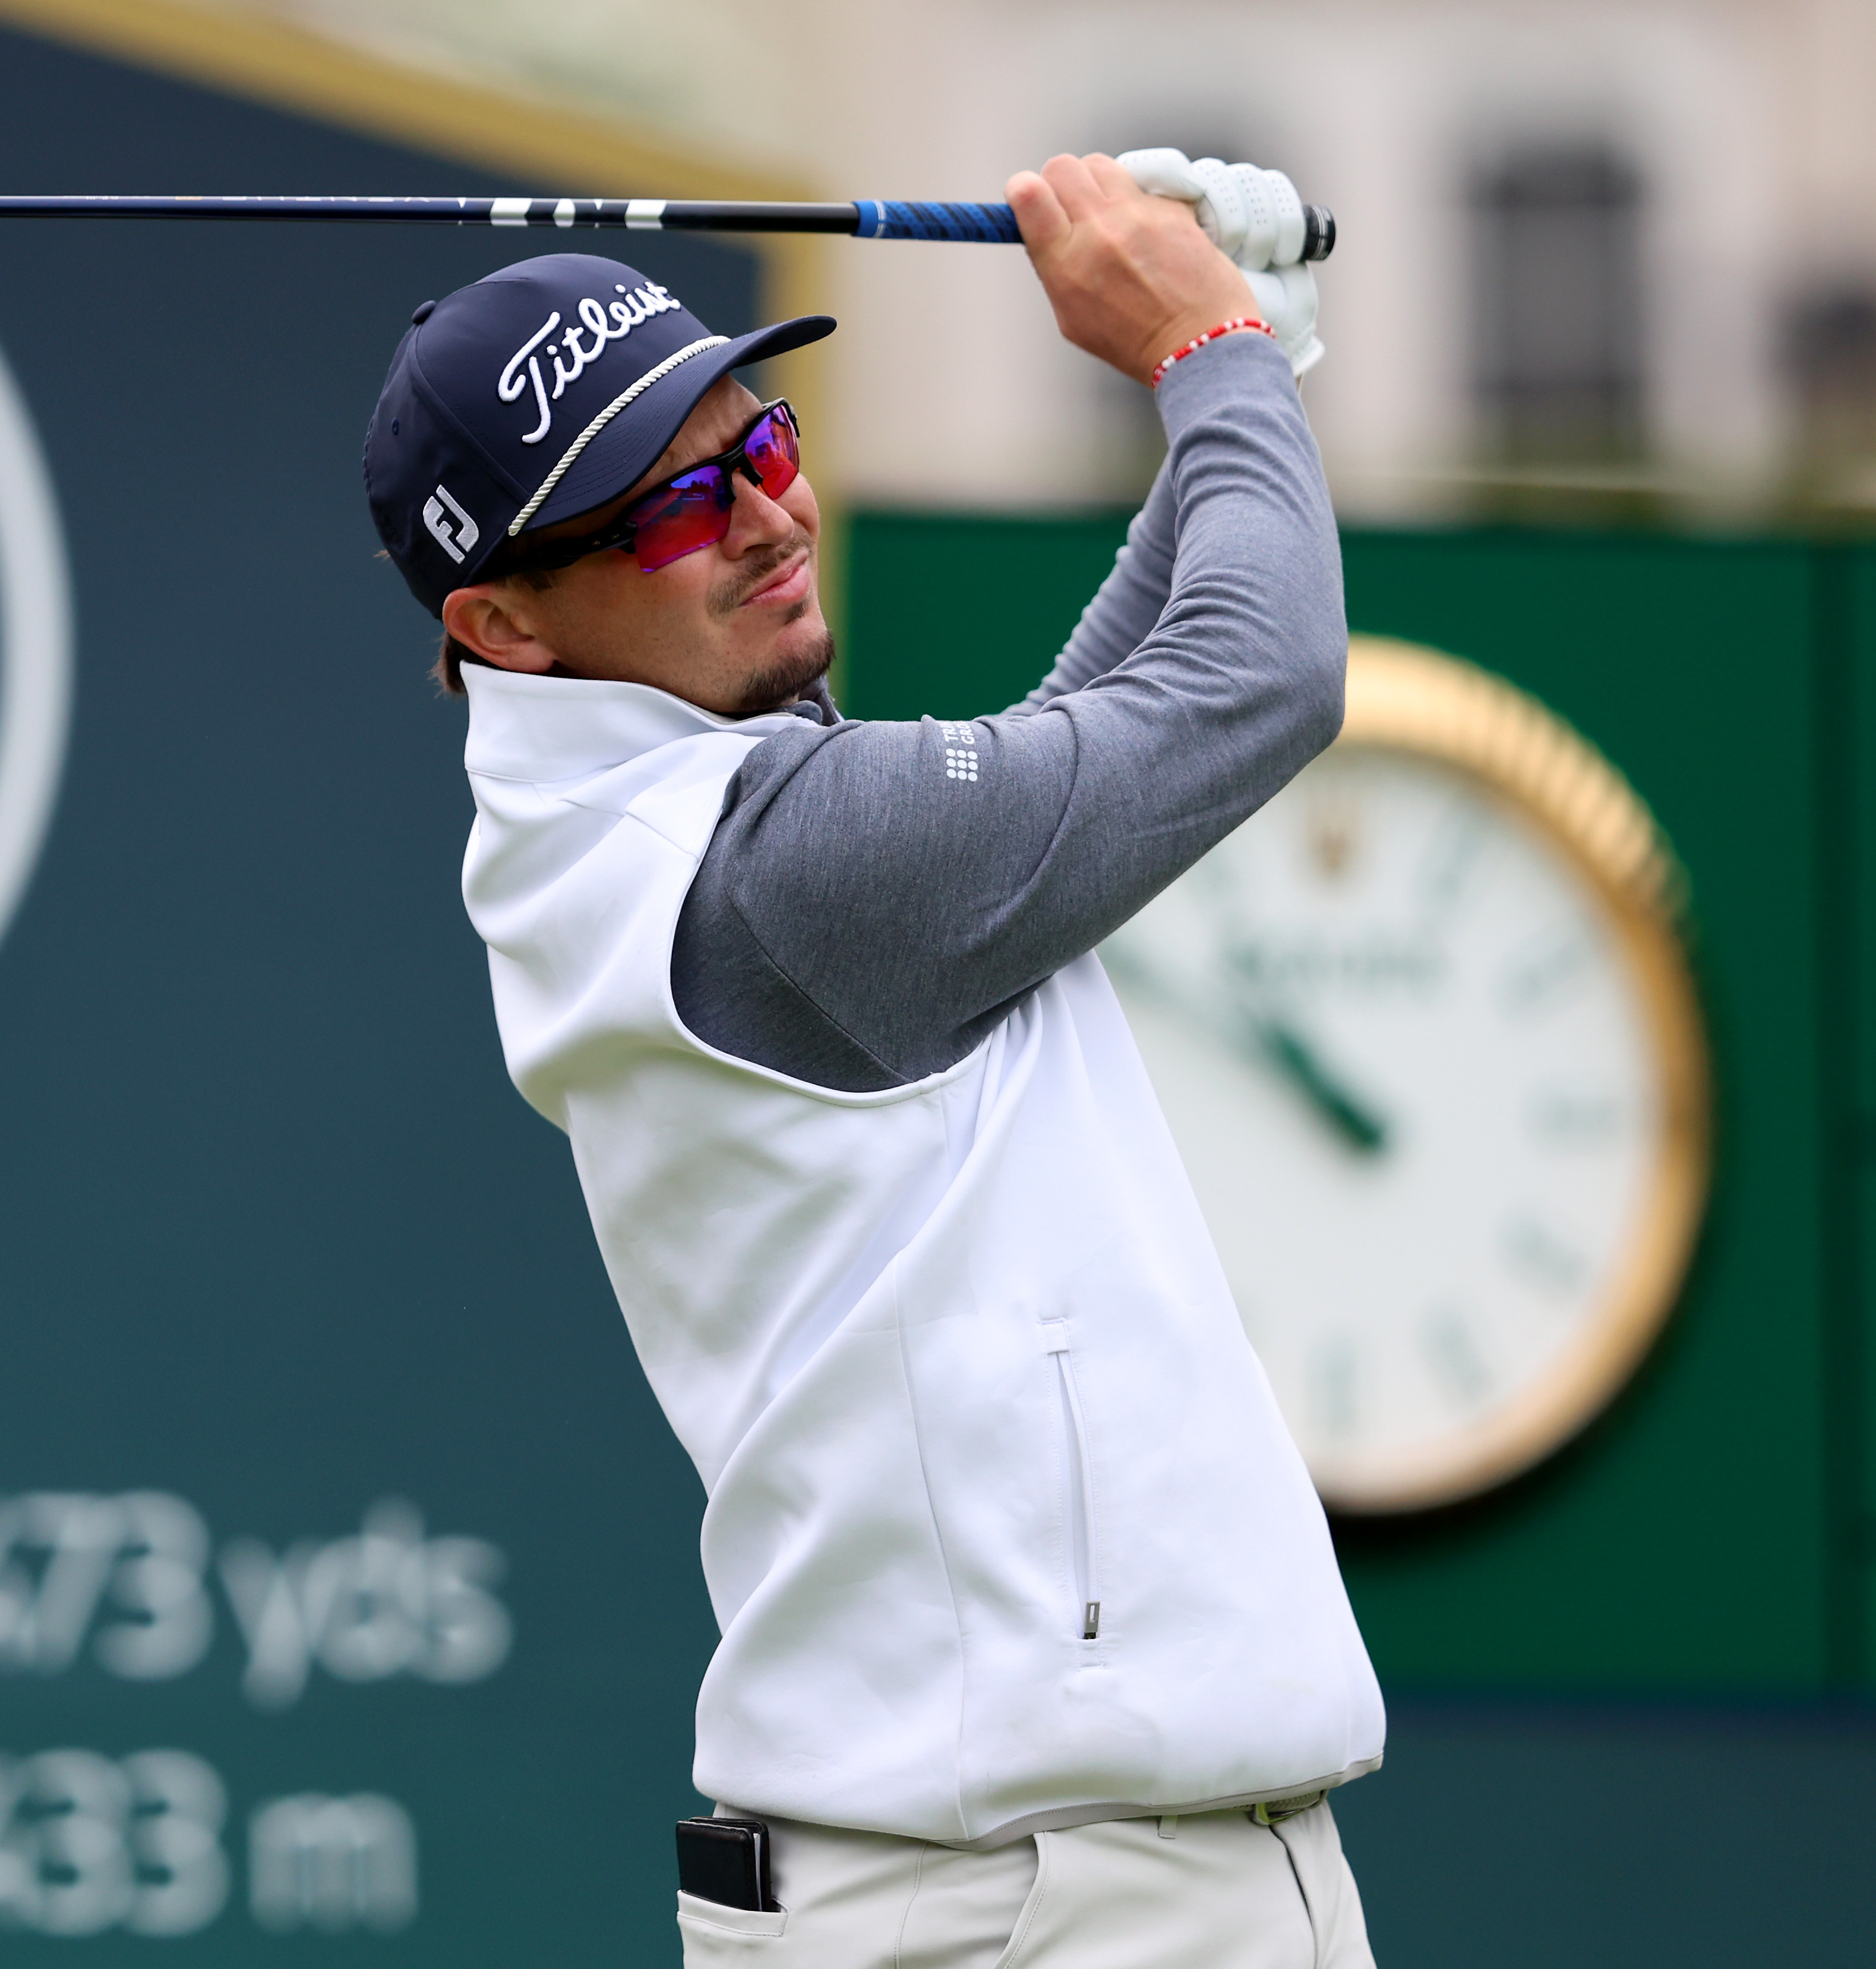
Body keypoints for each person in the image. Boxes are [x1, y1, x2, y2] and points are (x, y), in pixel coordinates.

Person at [359, 152, 1382, 1967]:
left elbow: (1089, 749)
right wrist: (1204, 352)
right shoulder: (783, 869)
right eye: (672, 509)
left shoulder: (652, 820)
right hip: (1045, 1902)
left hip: (1031, 1881)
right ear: (503, 623)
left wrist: (1237, 375)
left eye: (759, 442)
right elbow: (1258, 681)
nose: (768, 514)